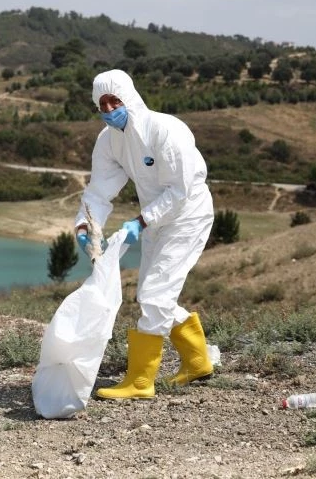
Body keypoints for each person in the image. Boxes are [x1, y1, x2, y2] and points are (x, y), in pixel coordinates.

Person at [74, 69, 215, 400]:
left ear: (130, 98)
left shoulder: (165, 130)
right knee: (151, 295)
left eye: (115, 101)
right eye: (102, 104)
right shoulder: (109, 141)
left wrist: (140, 221)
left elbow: (180, 190)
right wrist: (84, 225)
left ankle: (140, 381)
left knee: (155, 295)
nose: (109, 110)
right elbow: (98, 191)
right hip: (155, 219)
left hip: (187, 216)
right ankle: (197, 362)